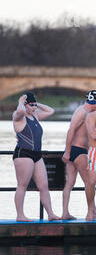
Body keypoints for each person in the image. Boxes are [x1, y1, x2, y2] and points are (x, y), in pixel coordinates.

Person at [12, 92, 61, 222]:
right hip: (23, 154)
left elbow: (51, 110)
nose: (34, 107)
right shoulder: (19, 116)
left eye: (35, 105)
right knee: (22, 185)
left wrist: (35, 103)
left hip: (36, 155)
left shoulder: (35, 115)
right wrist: (20, 102)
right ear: (25, 105)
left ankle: (50, 214)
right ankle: (20, 215)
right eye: (31, 105)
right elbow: (20, 111)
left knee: (44, 185)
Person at [61, 90, 96, 220]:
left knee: (70, 183)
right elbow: (71, 130)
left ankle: (65, 213)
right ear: (95, 103)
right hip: (78, 151)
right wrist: (67, 151)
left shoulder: (87, 112)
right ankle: (92, 211)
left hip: (75, 151)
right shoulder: (82, 112)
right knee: (89, 182)